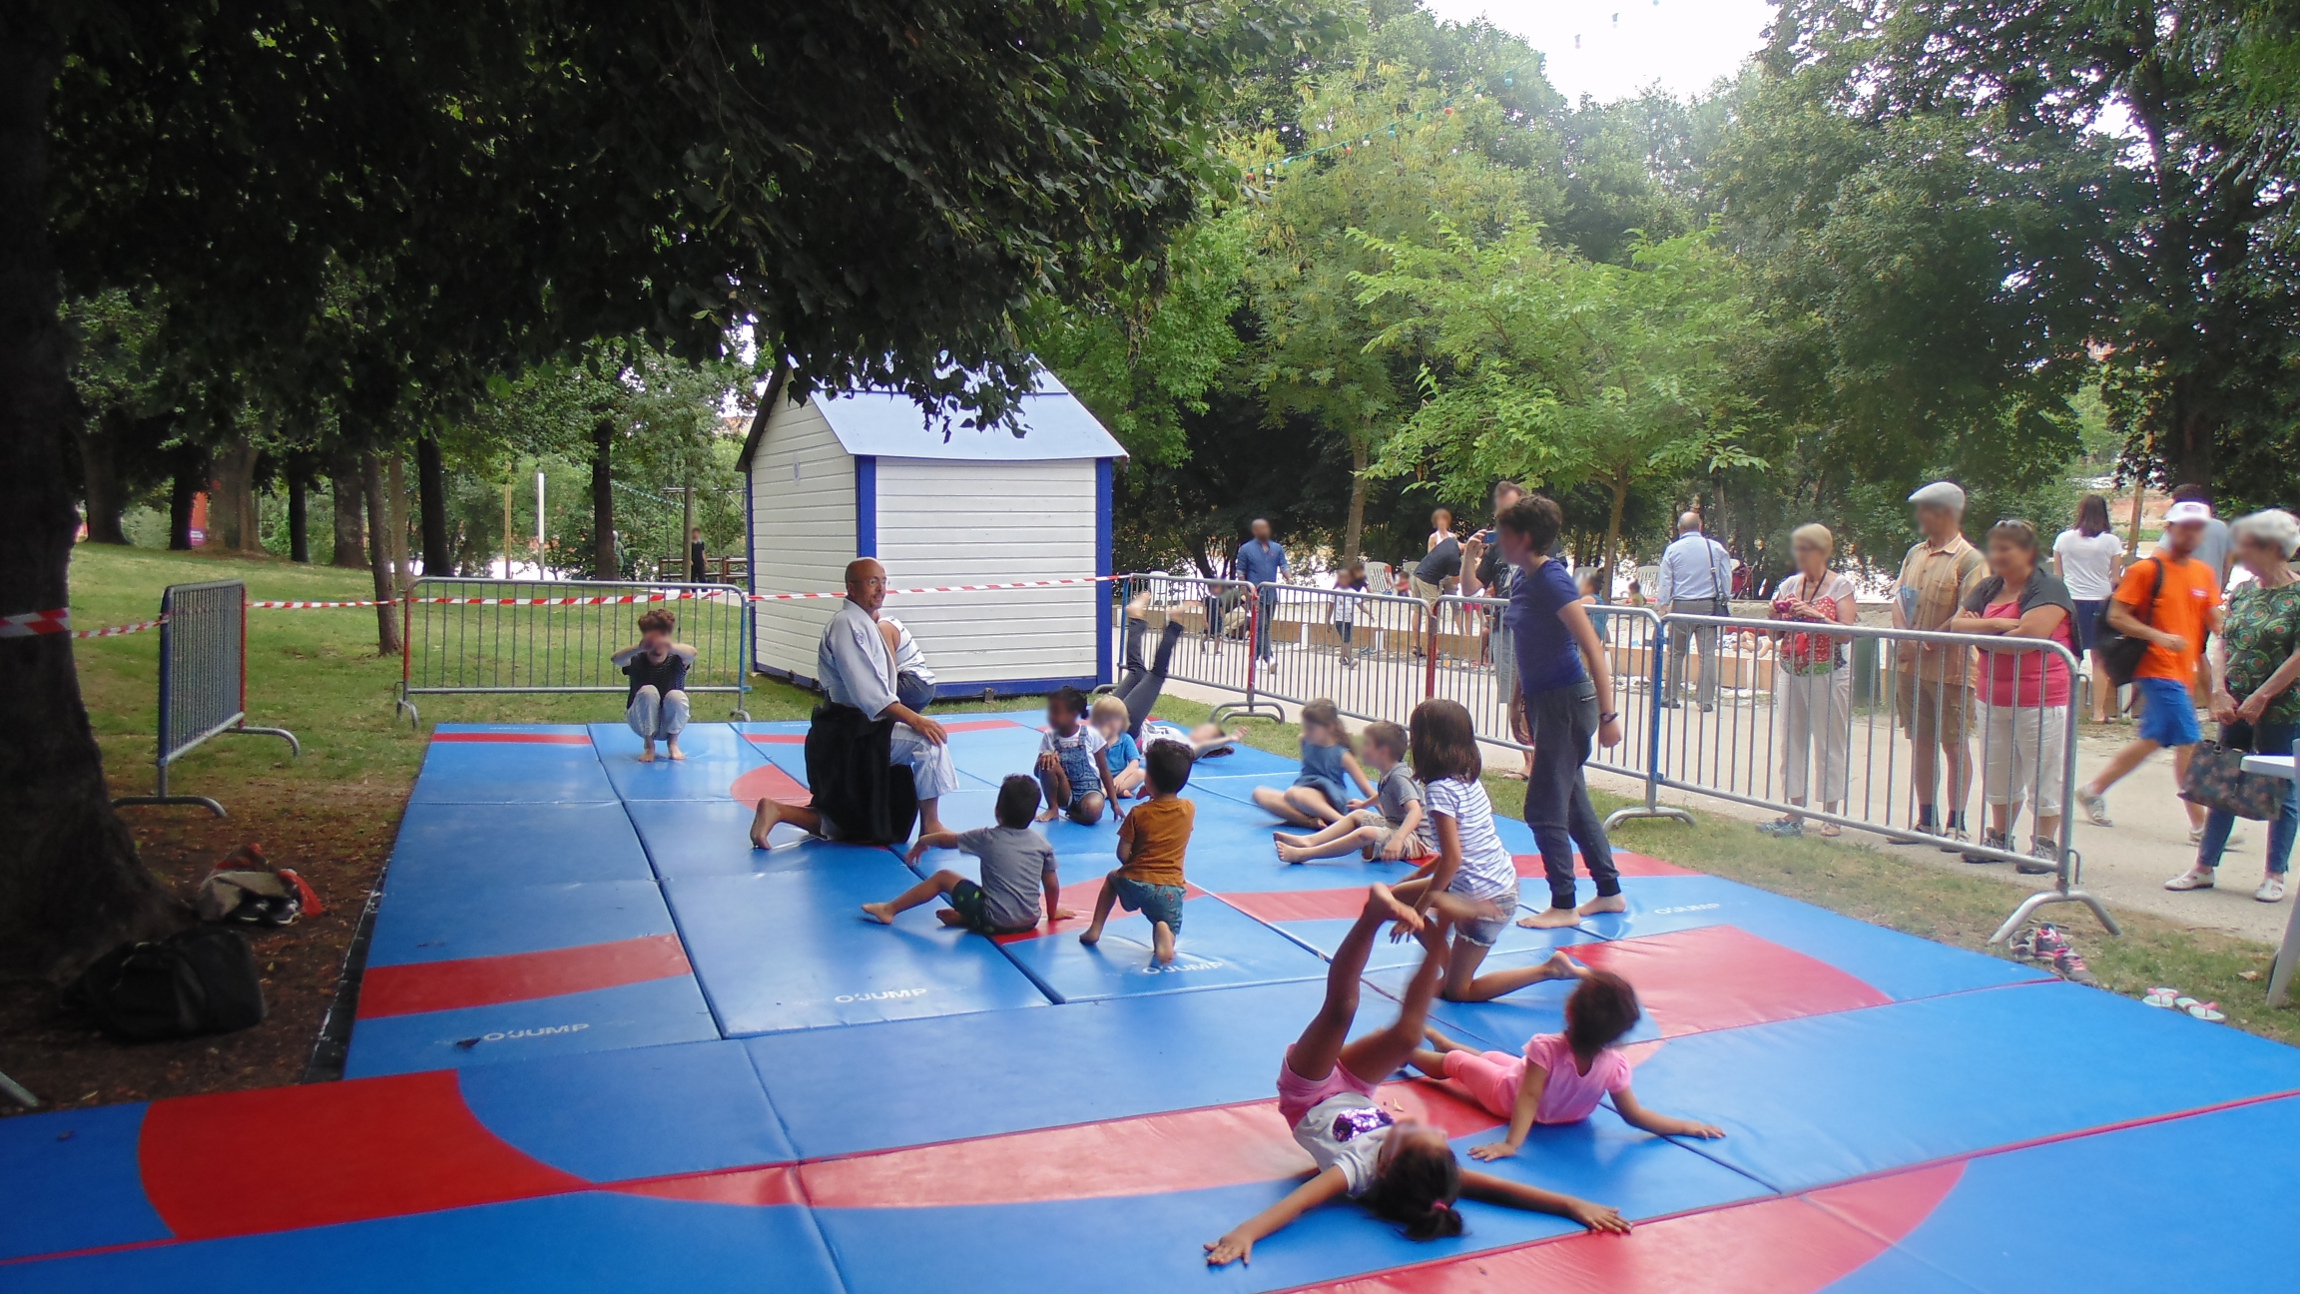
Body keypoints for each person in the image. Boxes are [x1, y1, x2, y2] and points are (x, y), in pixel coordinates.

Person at [1203, 886, 1628, 1268]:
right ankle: (1441, 928)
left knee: (1341, 1010)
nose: (1415, 1125)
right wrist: (1572, 1205)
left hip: (1307, 1095)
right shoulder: (1436, 1175)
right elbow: (1502, 1191)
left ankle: (1372, 915)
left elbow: (1296, 1205)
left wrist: (1246, 1233)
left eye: (1409, 1134)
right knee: (1409, 1036)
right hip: (1356, 1089)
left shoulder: (1354, 1170)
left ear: (1385, 1164)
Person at [1388, 698, 1589, 1001]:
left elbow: (1453, 858)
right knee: (1398, 896)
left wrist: (1418, 911)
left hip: (1485, 897)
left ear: (1424, 743)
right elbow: (1459, 847)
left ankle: (1549, 969)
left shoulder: (1439, 791)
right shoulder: (1466, 779)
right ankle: (1450, 965)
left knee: (1458, 991)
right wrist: (1418, 879)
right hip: (1495, 881)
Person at [1493, 495, 1630, 932]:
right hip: (1544, 700)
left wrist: (1609, 716)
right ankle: (1609, 891)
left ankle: (1564, 902)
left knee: (1542, 808)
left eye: (1504, 534)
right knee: (1572, 803)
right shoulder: (1522, 578)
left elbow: (1591, 646)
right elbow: (1528, 644)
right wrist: (1518, 700)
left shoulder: (1552, 580)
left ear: (1524, 538)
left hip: (1568, 702)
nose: (1497, 541)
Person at [749, 559, 956, 846]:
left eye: (883, 581)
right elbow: (870, 694)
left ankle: (777, 810)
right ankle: (931, 824)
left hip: (856, 730)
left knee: (848, 825)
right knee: (928, 742)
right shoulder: (847, 624)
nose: (880, 588)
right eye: (872, 582)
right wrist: (915, 719)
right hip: (851, 732)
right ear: (851, 587)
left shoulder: (864, 622)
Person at [1410, 971, 1725, 1157]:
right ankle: (1444, 1042)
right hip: (1564, 1112)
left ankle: (1405, 1051)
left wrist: (1511, 1144)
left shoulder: (1545, 1048)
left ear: (1569, 1011)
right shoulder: (1615, 1063)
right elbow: (1635, 1115)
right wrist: (1685, 1126)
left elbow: (1528, 1096)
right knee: (1493, 1059)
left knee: (1460, 1063)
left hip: (1504, 1097)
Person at [2167, 509, 2300, 902]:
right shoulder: (2242, 591)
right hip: (2235, 702)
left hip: (2283, 706)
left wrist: (2263, 696)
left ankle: (2275, 874)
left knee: (2283, 788)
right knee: (2223, 779)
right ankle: (2204, 866)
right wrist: (2218, 691)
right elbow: (2222, 641)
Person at [2077, 499, 2224, 837]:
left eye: (2197, 528)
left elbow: (2214, 619)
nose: (2191, 534)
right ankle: (2201, 825)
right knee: (2189, 741)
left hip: (2182, 671)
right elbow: (2116, 616)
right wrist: (2158, 636)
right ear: (2169, 529)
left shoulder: (2203, 573)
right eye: (2184, 527)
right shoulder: (2146, 571)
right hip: (2155, 667)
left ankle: (2093, 789)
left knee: (2153, 739)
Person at [1947, 520, 2076, 874]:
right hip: (1993, 694)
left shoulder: (2049, 588)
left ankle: (2045, 844)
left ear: (2028, 552)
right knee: (1998, 768)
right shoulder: (1989, 587)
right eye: (1994, 548)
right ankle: (2000, 837)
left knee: (2044, 770)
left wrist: (1983, 630)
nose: (1997, 556)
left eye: (2006, 549)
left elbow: (2030, 638)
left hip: (2042, 696)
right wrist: (2001, 625)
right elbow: (1957, 626)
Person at [1892, 481, 1987, 845]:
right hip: (1911, 667)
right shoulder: (1915, 554)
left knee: (1954, 744)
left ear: (1945, 512)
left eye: (1925, 509)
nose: (1919, 517)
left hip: (1951, 669)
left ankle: (1956, 823)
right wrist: (1905, 638)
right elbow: (1900, 598)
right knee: (1921, 741)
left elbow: (1967, 610)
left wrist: (1927, 641)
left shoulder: (1970, 559)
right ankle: (1926, 819)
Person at [869, 776, 1071, 933]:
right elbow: (1052, 886)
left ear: (997, 810)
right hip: (1029, 921)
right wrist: (1052, 913)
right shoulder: (1042, 844)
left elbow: (947, 840)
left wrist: (924, 840)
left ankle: (889, 909)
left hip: (993, 921)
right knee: (999, 888)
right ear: (1034, 813)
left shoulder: (987, 837)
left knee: (943, 877)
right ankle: (967, 918)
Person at [1760, 524, 1860, 839]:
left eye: (1805, 549)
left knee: (1830, 741)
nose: (1799, 556)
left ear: (1821, 551)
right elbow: (1774, 634)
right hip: (1791, 670)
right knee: (1791, 740)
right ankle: (1794, 811)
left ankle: (1830, 814)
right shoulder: (1789, 584)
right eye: (1797, 549)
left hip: (1828, 672)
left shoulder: (1840, 586)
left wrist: (1817, 616)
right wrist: (1773, 616)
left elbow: (1846, 633)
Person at [1080, 739, 1196, 964]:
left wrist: (1136, 864)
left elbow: (1122, 854)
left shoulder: (1138, 813)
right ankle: (1164, 935)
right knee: (1166, 922)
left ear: (1148, 779)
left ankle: (1095, 929)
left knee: (1112, 878)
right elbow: (1168, 812)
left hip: (1136, 881)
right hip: (1171, 889)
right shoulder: (1189, 808)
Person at [1274, 721, 1433, 864]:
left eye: (1367, 744)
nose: (1361, 748)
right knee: (1357, 815)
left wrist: (1398, 839)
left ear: (1383, 751)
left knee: (1365, 834)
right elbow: (1387, 793)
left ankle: (1305, 854)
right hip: (1396, 825)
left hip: (1415, 838)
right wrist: (1364, 805)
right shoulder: (1390, 771)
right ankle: (1309, 841)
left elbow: (1415, 811)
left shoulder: (1399, 777)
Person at [1461, 482, 1534, 780]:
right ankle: (1529, 762)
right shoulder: (1497, 549)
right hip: (1505, 630)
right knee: (1513, 697)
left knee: (1535, 697)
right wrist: (1469, 556)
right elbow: (1469, 589)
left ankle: (1541, 761)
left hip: (1535, 631)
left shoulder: (1543, 540)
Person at [2053, 493, 2128, 724]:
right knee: (2099, 659)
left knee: (2070, 656)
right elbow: (2115, 578)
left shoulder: (2063, 539)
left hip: (2070, 600)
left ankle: (2066, 708)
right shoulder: (2111, 541)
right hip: (2100, 600)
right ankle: (2098, 712)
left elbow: (2058, 575)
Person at [1655, 511, 1734, 710]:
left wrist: (1663, 606)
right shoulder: (1715, 548)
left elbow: (1665, 581)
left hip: (1681, 607)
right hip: (1708, 606)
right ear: (1700, 526)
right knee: (1707, 654)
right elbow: (1726, 577)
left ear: (1679, 528)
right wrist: (1725, 597)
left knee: (1676, 653)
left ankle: (1670, 697)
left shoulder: (1672, 550)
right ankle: (1705, 701)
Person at [1252, 699, 1374, 827]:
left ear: (1329, 727)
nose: (1306, 732)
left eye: (1311, 728)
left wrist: (1386, 815)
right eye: (1305, 727)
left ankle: (1344, 822)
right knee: (1259, 793)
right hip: (1303, 796)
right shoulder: (1305, 741)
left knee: (1293, 793)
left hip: (1329, 799)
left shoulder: (1342, 755)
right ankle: (1310, 821)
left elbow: (1367, 789)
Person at [611, 609, 696, 763]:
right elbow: (616, 659)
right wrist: (639, 647)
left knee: (676, 695)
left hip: (669, 720)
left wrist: (669, 645)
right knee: (648, 691)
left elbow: (692, 653)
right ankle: (649, 746)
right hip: (640, 720)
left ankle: (673, 743)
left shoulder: (678, 658)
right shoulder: (636, 658)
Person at [1036, 686, 1120, 825]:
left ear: (1073, 714)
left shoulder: (1091, 734)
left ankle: (1075, 814)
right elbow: (1037, 772)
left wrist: (1114, 804)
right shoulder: (1049, 736)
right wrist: (1045, 756)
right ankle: (1053, 808)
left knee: (1093, 811)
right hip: (1064, 791)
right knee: (1049, 762)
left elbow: (1104, 770)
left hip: (1089, 789)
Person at [1230, 519, 1288, 669]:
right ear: (1255, 531)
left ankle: (1254, 658)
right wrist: (1246, 593)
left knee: (1264, 627)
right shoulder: (1246, 549)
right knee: (1262, 625)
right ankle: (1269, 658)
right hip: (1255, 595)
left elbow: (1284, 565)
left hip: (1271, 594)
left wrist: (1289, 577)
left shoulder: (1277, 548)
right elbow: (1241, 572)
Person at [1412, 508, 1463, 646]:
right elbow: (1432, 555)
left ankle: (1463, 635)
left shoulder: (1452, 538)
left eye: (1444, 519)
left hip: (1444, 574)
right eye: (1439, 520)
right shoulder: (1434, 537)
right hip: (1434, 575)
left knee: (1454, 605)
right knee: (1431, 609)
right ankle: (1425, 645)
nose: (1442, 522)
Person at [877, 615, 937, 712]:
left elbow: (890, 670)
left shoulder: (883, 627)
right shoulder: (888, 622)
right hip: (924, 683)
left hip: (913, 683)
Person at [1090, 696, 1146, 798]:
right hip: (1099, 778)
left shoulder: (1126, 739)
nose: (1112, 723)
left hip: (1119, 778)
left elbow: (1134, 763)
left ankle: (1106, 792)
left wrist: (1121, 778)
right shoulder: (1094, 738)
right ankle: (1117, 792)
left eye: (1117, 719)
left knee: (1141, 774)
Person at [1332, 559, 1369, 668]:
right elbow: (1331, 604)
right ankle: (1350, 659)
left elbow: (1360, 604)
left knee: (1347, 639)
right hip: (1339, 619)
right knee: (1346, 639)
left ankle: (1342, 657)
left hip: (1349, 618)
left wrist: (1369, 612)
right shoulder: (1337, 590)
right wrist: (1328, 619)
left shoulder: (1354, 589)